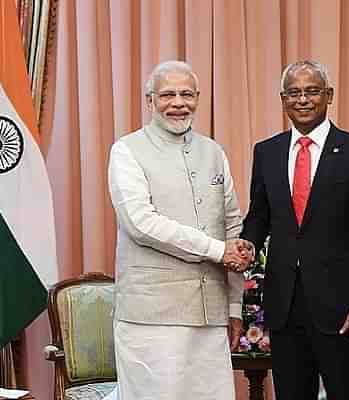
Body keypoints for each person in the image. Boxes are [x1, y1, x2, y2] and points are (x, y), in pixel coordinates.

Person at [241, 60, 349, 400]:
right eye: (294, 93)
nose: (303, 100)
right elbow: (259, 217)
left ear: (329, 95)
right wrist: (246, 244)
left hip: (341, 309)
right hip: (284, 305)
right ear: (283, 99)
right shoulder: (267, 152)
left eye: (312, 91)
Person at [108, 60, 254, 400]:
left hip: (210, 314)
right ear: (150, 101)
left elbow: (232, 224)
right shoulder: (127, 150)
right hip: (152, 316)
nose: (178, 103)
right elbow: (141, 224)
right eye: (168, 94)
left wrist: (234, 308)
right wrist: (218, 250)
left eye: (186, 94)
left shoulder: (213, 152)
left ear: (198, 98)